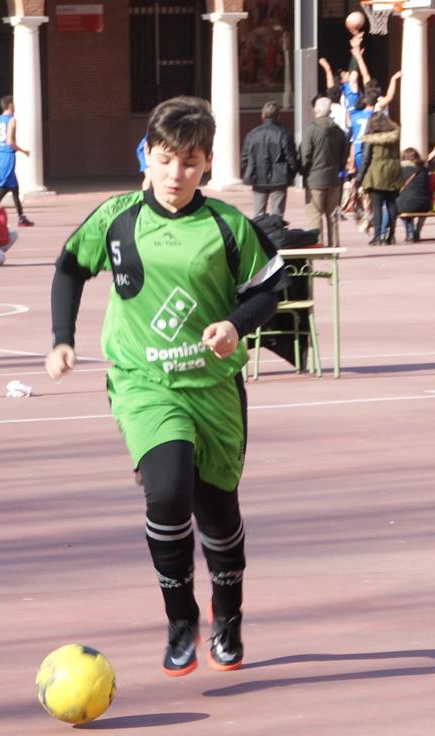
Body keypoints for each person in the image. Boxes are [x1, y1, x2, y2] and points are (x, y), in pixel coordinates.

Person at [45, 95, 283, 677]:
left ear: (207, 164)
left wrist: (235, 324)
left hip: (214, 389)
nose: (176, 174)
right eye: (166, 159)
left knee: (218, 513)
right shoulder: (118, 217)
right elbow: (70, 266)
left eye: (191, 162)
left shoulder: (227, 225)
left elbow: (269, 289)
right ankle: (181, 620)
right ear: (146, 155)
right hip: (144, 384)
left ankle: (228, 613)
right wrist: (62, 337)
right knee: (168, 491)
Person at [300, 96, 348, 246]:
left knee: (315, 215)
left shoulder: (311, 130)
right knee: (332, 216)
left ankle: (317, 248)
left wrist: (303, 171)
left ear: (316, 110)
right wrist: (339, 168)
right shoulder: (339, 132)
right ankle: (334, 247)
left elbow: (305, 155)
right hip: (333, 178)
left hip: (314, 179)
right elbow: (344, 155)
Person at [241, 101, 298, 218]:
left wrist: (249, 171)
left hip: (258, 177)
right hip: (279, 178)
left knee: (258, 215)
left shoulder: (252, 134)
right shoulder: (283, 134)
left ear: (263, 115)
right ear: (278, 116)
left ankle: (259, 230)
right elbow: (291, 158)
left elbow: (244, 158)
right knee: (277, 215)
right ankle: (276, 230)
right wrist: (290, 174)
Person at [357, 112, 402, 246]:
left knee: (377, 206)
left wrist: (359, 177)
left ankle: (377, 236)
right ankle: (391, 235)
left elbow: (365, 159)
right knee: (391, 204)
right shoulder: (394, 136)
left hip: (376, 173)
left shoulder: (370, 139)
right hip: (393, 170)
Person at [0, 95, 33, 226]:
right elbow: (10, 141)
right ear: (10, 105)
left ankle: (21, 217)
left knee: (14, 187)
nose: (14, 106)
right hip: (7, 155)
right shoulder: (12, 120)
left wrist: (0, 148)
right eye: (13, 104)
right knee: (5, 185)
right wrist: (23, 151)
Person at [396, 148, 431, 242]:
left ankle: (410, 232)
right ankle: (417, 232)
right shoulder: (424, 170)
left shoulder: (400, 170)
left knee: (400, 207)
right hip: (424, 204)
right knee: (421, 208)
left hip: (406, 204)